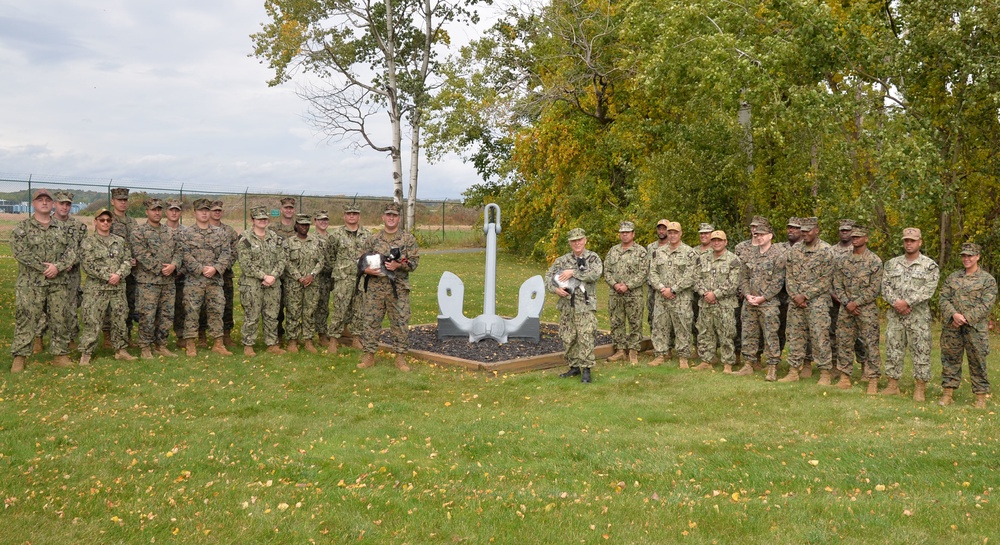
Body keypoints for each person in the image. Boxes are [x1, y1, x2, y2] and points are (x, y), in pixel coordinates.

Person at [10, 188, 78, 372]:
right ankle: (20, 356)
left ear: (52, 203)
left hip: (58, 282)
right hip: (31, 283)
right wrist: (44, 268)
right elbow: (19, 251)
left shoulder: (63, 229)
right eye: (40, 200)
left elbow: (72, 251)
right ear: (34, 203)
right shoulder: (23, 228)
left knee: (59, 318)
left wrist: (58, 267)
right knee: (27, 318)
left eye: (47, 199)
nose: (44, 202)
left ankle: (60, 354)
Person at [358, 202, 420, 371]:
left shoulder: (408, 239)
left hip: (398, 289)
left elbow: (414, 263)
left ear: (399, 218)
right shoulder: (373, 239)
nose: (391, 218)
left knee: (400, 323)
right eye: (388, 215)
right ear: (383, 217)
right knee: (371, 322)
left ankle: (400, 358)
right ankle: (369, 356)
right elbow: (361, 261)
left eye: (394, 215)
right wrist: (367, 270)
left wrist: (399, 266)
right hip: (375, 289)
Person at [881, 228, 939, 400]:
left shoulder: (929, 265)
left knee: (921, 351)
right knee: (893, 349)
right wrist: (896, 303)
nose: (909, 243)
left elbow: (928, 290)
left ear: (920, 242)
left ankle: (920, 388)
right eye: (906, 240)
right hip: (895, 316)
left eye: (912, 240)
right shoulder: (892, 264)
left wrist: (907, 302)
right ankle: (892, 385)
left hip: (918, 317)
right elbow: (885, 287)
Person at [938, 243, 997, 408]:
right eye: (964, 255)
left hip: (975, 328)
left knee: (978, 361)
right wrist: (954, 315)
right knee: (950, 359)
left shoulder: (987, 280)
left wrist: (965, 318)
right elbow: (943, 298)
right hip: (952, 328)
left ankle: (980, 397)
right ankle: (948, 394)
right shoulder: (953, 277)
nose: (966, 259)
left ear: (978, 256)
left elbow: (987, 304)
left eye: (970, 255)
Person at [779, 217, 834, 383]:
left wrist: (806, 295)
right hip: (796, 302)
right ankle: (793, 371)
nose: (805, 234)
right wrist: (795, 295)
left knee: (820, 337)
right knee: (795, 336)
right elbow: (789, 275)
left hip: (817, 303)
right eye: (803, 231)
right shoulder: (795, 249)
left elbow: (826, 279)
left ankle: (825, 373)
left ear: (816, 230)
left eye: (808, 231)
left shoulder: (826, 250)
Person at [78, 208, 135, 365]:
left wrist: (119, 274)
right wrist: (109, 276)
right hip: (96, 289)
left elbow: (127, 260)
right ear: (95, 221)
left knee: (120, 319)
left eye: (108, 220)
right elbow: (88, 264)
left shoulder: (120, 241)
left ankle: (121, 350)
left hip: (117, 289)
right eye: (102, 220)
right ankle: (86, 353)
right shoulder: (88, 242)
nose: (105, 223)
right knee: (92, 320)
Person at [547, 228, 603, 383]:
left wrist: (574, 272)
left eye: (580, 240)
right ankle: (574, 366)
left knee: (586, 335)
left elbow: (595, 274)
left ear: (585, 240)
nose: (577, 243)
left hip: (585, 305)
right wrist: (556, 289)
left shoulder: (592, 258)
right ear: (570, 243)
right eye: (573, 241)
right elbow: (548, 277)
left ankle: (586, 369)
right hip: (566, 306)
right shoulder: (562, 260)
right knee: (568, 336)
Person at [832, 225, 883, 392]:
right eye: (853, 237)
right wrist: (847, 303)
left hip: (866, 310)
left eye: (859, 237)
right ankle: (845, 376)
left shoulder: (874, 261)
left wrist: (857, 302)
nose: (855, 239)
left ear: (866, 239)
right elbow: (837, 283)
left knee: (870, 343)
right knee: (844, 341)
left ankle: (873, 379)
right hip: (846, 308)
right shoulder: (843, 260)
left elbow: (875, 289)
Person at [131, 198, 183, 359]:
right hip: (148, 282)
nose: (157, 212)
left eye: (159, 209)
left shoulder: (170, 232)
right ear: (147, 212)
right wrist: (162, 269)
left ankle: (161, 345)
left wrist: (174, 265)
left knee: (166, 315)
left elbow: (179, 251)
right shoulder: (138, 232)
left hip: (168, 282)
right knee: (148, 315)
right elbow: (141, 254)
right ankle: (145, 347)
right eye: (153, 210)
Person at [180, 199, 232, 357]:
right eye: (201, 210)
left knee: (217, 310)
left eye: (207, 210)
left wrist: (216, 268)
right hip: (194, 281)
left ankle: (218, 343)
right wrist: (200, 269)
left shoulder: (220, 233)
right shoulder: (187, 233)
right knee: (192, 311)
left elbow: (225, 253)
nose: (204, 213)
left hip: (214, 281)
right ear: (195, 212)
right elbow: (185, 254)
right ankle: (190, 344)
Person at [736, 218, 786, 379]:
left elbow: (778, 281)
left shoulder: (778, 256)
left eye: (762, 234)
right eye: (757, 235)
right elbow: (743, 277)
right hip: (750, 302)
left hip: (768, 303)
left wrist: (763, 298)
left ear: (770, 236)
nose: (759, 237)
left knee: (770, 335)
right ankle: (749, 364)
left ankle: (772, 366)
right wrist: (747, 294)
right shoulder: (750, 255)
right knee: (748, 333)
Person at [237, 206, 287, 356]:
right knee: (252, 314)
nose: (262, 221)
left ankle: (272, 343)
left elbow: (282, 259)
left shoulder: (275, 238)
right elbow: (245, 264)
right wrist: (264, 276)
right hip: (252, 284)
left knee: (272, 315)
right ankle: (248, 344)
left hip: (273, 283)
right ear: (253, 220)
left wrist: (273, 276)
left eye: (265, 219)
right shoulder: (245, 238)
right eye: (259, 219)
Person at [648, 221, 697, 368]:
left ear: (680, 233)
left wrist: (674, 289)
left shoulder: (689, 252)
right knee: (659, 326)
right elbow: (653, 273)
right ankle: (660, 354)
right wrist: (662, 288)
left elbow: (690, 276)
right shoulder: (658, 252)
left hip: (680, 298)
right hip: (662, 297)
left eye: (675, 232)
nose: (672, 235)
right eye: (670, 232)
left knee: (683, 326)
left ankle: (683, 357)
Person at [693, 231, 741, 372]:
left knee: (726, 334)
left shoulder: (733, 260)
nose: (716, 243)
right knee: (705, 332)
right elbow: (696, 278)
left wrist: (715, 294)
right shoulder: (703, 258)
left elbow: (732, 284)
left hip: (725, 305)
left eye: (719, 240)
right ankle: (706, 360)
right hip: (706, 303)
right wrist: (705, 294)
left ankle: (727, 363)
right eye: (714, 240)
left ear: (725, 242)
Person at [326, 202, 372, 353]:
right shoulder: (336, 235)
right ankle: (333, 339)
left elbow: (371, 255)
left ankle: (356, 339)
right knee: (340, 309)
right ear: (344, 215)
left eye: (355, 213)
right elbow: (330, 256)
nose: (352, 216)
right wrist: (340, 269)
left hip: (361, 279)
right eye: (349, 213)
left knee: (359, 310)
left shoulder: (367, 235)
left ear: (359, 216)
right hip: (343, 278)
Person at [603, 221, 647, 364]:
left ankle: (633, 351)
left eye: (628, 232)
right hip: (615, 294)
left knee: (635, 322)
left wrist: (628, 285)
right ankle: (620, 350)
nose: (625, 234)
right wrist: (615, 284)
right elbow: (607, 271)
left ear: (633, 234)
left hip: (633, 294)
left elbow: (643, 273)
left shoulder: (640, 251)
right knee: (617, 322)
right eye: (622, 232)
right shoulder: (613, 251)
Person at [283, 214, 326, 353]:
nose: (304, 227)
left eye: (307, 225)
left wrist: (312, 275)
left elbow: (321, 261)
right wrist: (299, 277)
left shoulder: (316, 241)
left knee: (310, 312)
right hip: (294, 284)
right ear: (296, 225)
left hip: (312, 283)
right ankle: (292, 341)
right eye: (302, 224)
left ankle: (308, 340)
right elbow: (286, 262)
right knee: (293, 311)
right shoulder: (289, 242)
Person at [50, 191, 87, 350]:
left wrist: (71, 262)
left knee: (71, 306)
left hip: (71, 274)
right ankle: (39, 336)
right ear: (54, 204)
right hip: (50, 274)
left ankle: (71, 338)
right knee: (47, 306)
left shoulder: (79, 227)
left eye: (68, 204)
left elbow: (84, 249)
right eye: (61, 203)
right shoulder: (46, 223)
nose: (65, 207)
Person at [204, 200, 240, 347]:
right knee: (202, 306)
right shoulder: (203, 229)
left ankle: (226, 334)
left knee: (227, 306)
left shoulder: (229, 231)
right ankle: (202, 335)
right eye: (214, 210)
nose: (217, 213)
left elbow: (234, 252)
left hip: (224, 275)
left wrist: (221, 267)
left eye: (219, 210)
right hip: (205, 275)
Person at [109, 187, 139, 343]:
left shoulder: (132, 222)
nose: (122, 203)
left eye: (125, 200)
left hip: (132, 271)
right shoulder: (108, 220)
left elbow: (137, 243)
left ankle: (127, 335)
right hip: (115, 269)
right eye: (119, 200)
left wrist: (135, 259)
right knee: (113, 305)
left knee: (129, 302)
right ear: (113, 201)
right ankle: (109, 336)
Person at [269, 197, 297, 341]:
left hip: (294, 275)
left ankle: (294, 336)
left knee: (294, 307)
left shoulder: (298, 229)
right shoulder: (272, 229)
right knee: (276, 307)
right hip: (277, 275)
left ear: (294, 210)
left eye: (291, 208)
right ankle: (277, 335)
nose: (288, 210)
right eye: (286, 208)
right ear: (281, 210)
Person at [164, 199, 188, 348]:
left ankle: (181, 336)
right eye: (171, 210)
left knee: (181, 307)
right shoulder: (159, 230)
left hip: (182, 276)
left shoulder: (186, 231)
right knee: (163, 308)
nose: (174, 212)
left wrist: (181, 270)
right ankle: (161, 338)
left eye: (177, 210)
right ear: (166, 212)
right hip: (163, 275)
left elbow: (190, 253)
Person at [312, 210, 333, 345]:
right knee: (312, 306)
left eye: (325, 220)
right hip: (315, 276)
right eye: (320, 220)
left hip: (328, 277)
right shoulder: (312, 238)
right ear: (315, 222)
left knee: (324, 306)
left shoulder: (331, 238)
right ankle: (310, 334)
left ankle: (322, 333)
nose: (323, 222)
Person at [645, 220, 671, 333]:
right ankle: (654, 341)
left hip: (669, 289)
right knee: (652, 313)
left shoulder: (674, 247)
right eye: (659, 229)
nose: (661, 231)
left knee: (669, 316)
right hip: (653, 288)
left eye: (664, 229)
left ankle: (670, 343)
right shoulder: (650, 247)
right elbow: (647, 267)